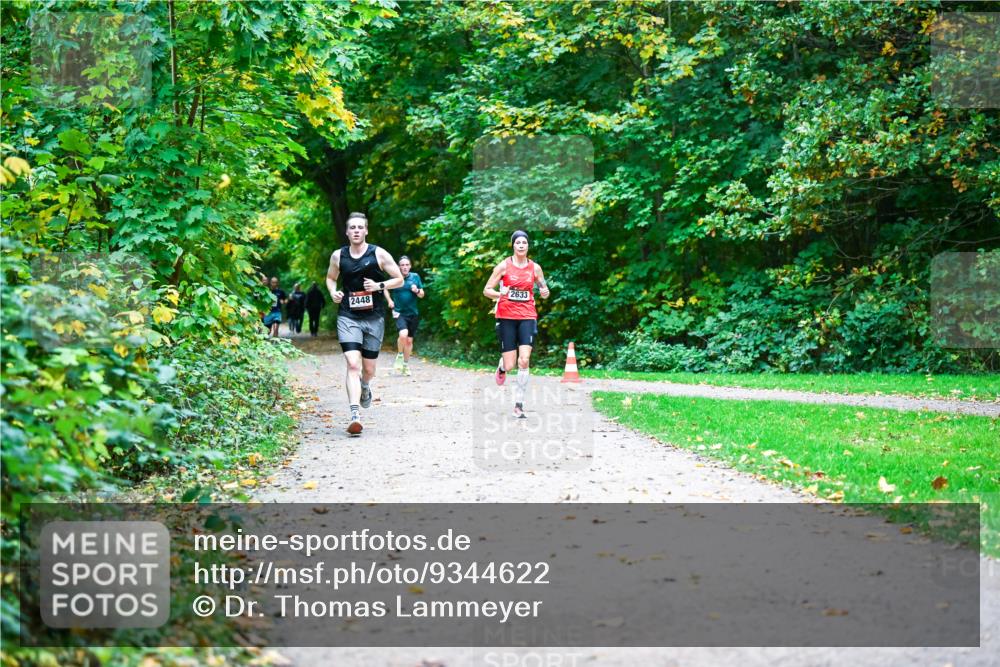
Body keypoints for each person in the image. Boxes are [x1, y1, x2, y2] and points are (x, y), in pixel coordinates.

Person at [326, 212, 404, 435]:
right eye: (352, 227)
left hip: (374, 317)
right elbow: (331, 278)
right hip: (348, 316)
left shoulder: (378, 253)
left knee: (368, 370)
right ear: (347, 232)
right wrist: (333, 292)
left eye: (360, 227)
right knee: (353, 364)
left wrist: (379, 286)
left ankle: (365, 386)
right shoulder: (338, 256)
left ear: (366, 231)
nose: (356, 231)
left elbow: (399, 279)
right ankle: (354, 415)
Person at [483, 230, 550, 418]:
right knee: (510, 364)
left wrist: (545, 291)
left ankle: (519, 405)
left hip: (527, 315)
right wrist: (500, 294)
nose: (521, 245)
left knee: (524, 360)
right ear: (513, 245)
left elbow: (544, 287)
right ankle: (502, 367)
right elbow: (487, 290)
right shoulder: (503, 266)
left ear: (528, 246)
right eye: (518, 242)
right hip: (506, 316)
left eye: (524, 243)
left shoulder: (535, 268)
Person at [384, 255, 425, 376]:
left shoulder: (415, 277)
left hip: (413, 313)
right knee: (403, 334)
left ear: (410, 266)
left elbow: (422, 294)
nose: (405, 267)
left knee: (409, 341)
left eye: (407, 265)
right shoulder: (395, 278)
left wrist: (417, 290)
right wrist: (389, 301)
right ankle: (400, 355)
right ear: (399, 267)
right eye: (402, 265)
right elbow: (384, 288)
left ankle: (405, 366)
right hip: (399, 312)